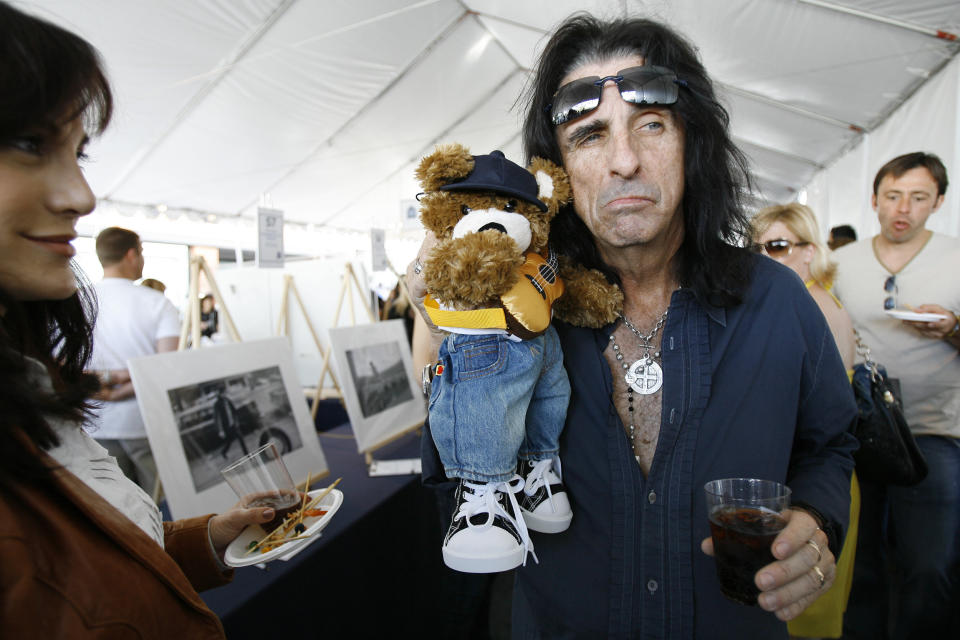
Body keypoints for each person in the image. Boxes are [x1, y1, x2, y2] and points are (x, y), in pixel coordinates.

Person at [408, 14, 857, 638]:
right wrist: (446, 318)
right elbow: (454, 459)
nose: (624, 160)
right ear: (556, 176)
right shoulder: (523, 315)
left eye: (651, 125)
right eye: (590, 135)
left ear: (691, 143)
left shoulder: (776, 301)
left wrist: (816, 517)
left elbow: (831, 442)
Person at [0, 3, 274, 636]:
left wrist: (208, 538)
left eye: (78, 154)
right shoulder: (152, 305)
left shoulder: (28, 379)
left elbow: (85, 562)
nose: (80, 195)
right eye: (27, 144)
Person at [833, 151, 960, 639]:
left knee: (929, 563)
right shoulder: (842, 263)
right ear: (874, 201)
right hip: (857, 429)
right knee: (858, 560)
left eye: (919, 197)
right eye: (892, 196)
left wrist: (952, 328)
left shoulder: (953, 257)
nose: (903, 207)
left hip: (933, 431)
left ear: (939, 202)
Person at [751, 203, 860, 638]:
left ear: (810, 251)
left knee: (804, 603)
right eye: (755, 247)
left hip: (811, 474)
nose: (763, 258)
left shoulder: (812, 306)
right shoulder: (804, 301)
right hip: (804, 469)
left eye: (777, 246)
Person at [88, 226, 181, 494]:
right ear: (131, 255)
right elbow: (164, 365)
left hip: (93, 420)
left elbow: (61, 366)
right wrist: (122, 392)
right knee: (161, 503)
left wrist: (103, 386)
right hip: (144, 418)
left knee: (117, 507)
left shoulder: (77, 301)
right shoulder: (157, 303)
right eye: (141, 253)